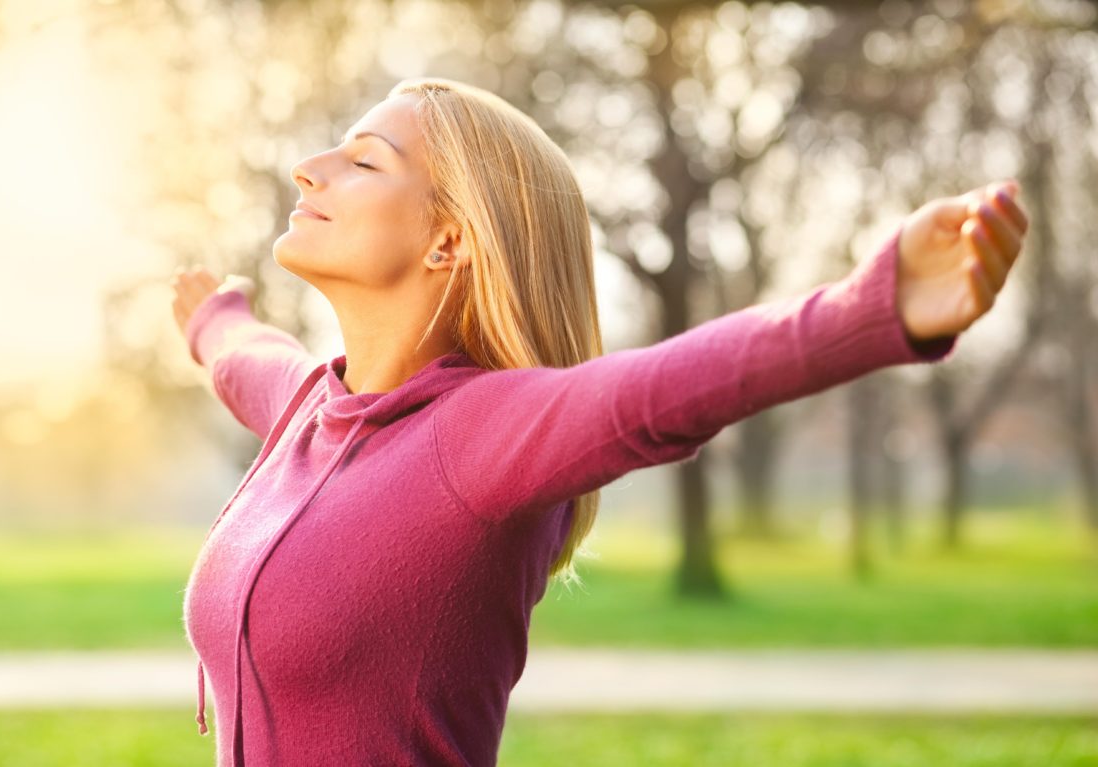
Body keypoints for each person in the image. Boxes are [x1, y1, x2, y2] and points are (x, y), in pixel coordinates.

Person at [168, 77, 1028, 767]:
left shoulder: (479, 437)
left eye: (364, 161)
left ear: (448, 240)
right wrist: (215, 322)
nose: (309, 168)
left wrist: (867, 310)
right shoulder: (313, 412)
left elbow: (658, 392)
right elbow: (253, 361)